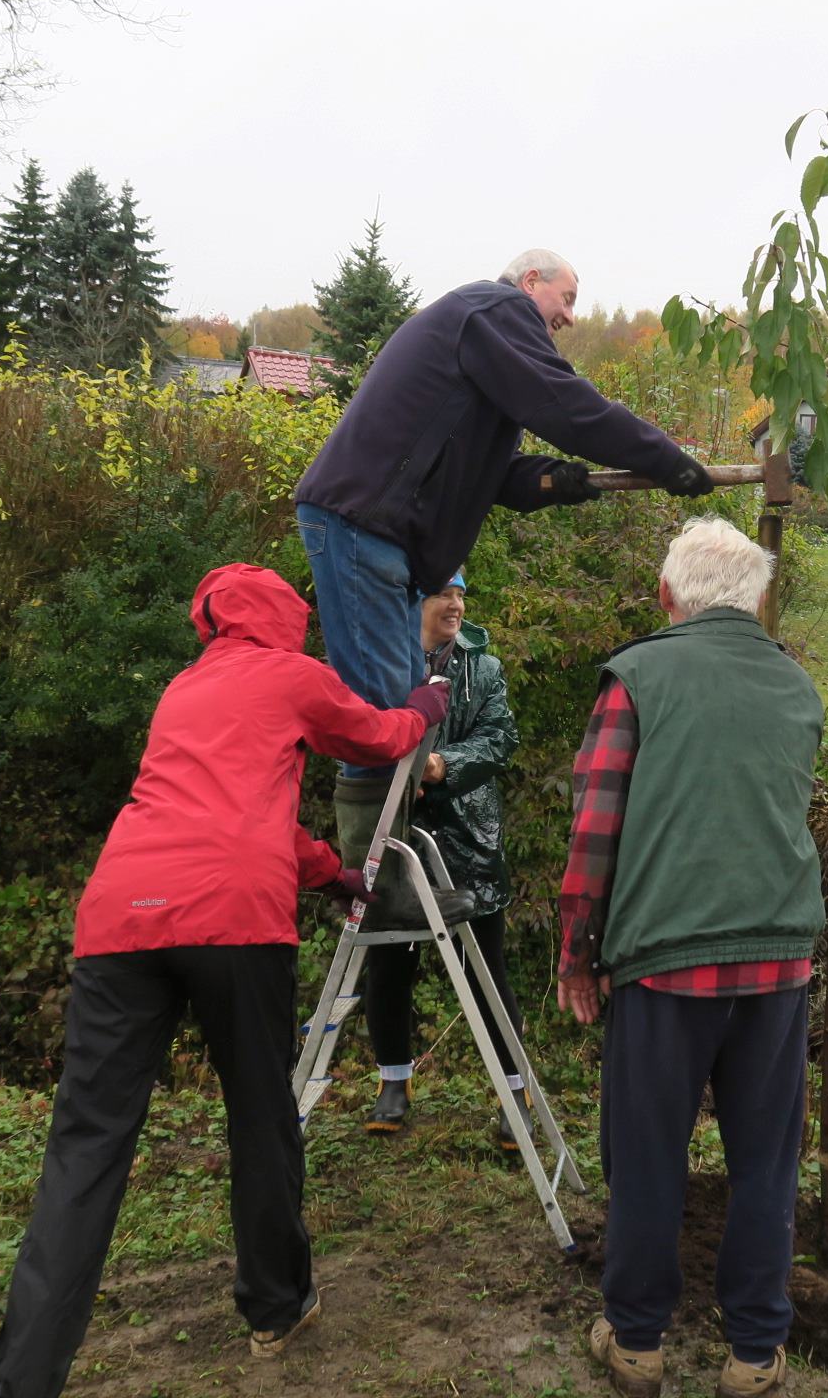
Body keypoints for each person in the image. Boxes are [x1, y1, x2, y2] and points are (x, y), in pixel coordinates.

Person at [0, 564, 450, 1398]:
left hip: (121, 912)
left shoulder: (183, 690)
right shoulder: (292, 674)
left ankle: (16, 1382)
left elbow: (223, 806)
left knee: (85, 1147)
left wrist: (327, 870)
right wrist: (427, 707)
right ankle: (276, 1306)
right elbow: (379, 738)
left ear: (211, 620)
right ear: (288, 619)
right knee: (261, 1116)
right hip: (233, 915)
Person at [290, 250, 712, 930]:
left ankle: (384, 873)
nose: (570, 317)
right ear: (529, 282)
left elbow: (497, 472)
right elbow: (566, 404)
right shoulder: (493, 312)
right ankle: (372, 889)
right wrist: (661, 457)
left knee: (402, 707)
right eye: (566, 298)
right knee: (380, 710)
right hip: (361, 523)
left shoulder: (482, 351)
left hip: (382, 535)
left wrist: (559, 482)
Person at [558, 518, 824, 1398]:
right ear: (756, 600)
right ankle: (754, 1355)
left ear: (668, 598)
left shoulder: (638, 675)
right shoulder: (797, 684)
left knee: (646, 1154)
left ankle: (636, 1343)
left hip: (665, 961)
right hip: (778, 959)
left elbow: (595, 827)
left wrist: (578, 954)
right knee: (764, 1164)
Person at [360, 570, 530, 1147]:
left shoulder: (483, 667)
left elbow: (501, 737)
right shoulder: (382, 665)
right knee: (388, 965)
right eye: (444, 594)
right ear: (413, 603)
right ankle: (393, 1081)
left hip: (466, 835)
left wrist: (444, 765)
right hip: (393, 831)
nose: (456, 603)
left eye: (462, 593)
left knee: (488, 969)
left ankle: (514, 1093)